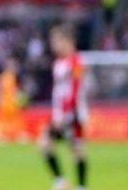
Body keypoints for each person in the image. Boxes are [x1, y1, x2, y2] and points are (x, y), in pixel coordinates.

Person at [39, 25, 88, 190]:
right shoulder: (59, 62)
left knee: (76, 149)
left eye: (56, 41)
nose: (53, 45)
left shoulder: (76, 62)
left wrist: (67, 113)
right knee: (46, 144)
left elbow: (75, 88)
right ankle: (61, 182)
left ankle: (79, 186)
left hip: (72, 113)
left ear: (67, 41)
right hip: (59, 113)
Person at [0, 57, 24, 143]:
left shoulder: (12, 77)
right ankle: (2, 136)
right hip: (5, 102)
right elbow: (0, 90)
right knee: (4, 121)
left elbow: (15, 90)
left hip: (11, 102)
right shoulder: (3, 77)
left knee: (15, 120)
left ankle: (17, 135)